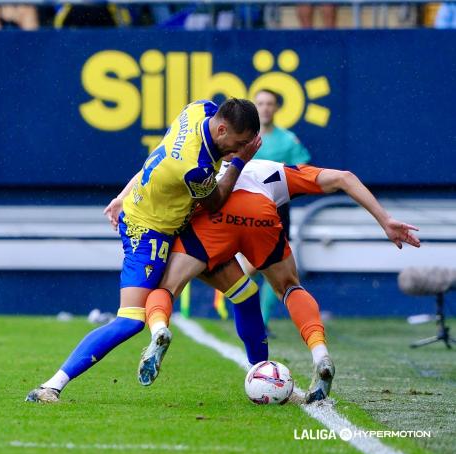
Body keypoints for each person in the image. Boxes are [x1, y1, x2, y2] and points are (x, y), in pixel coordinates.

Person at [26, 98, 262, 403]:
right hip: (148, 231)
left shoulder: (198, 108)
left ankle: (262, 375)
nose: (239, 149)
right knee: (131, 318)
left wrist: (124, 193)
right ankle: (51, 386)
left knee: (245, 293)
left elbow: (158, 154)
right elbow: (215, 200)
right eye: (238, 143)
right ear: (220, 130)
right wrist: (240, 162)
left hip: (178, 221)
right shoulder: (194, 167)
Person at [139, 159, 420, 402]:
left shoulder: (201, 165)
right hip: (260, 216)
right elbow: (343, 178)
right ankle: (319, 353)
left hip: (213, 223)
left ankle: (160, 331)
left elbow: (151, 180)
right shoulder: (274, 169)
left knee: (166, 287)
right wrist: (385, 220)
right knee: (289, 287)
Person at [253, 88, 311, 328]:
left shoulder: (288, 139)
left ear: (276, 108)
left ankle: (262, 320)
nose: (265, 108)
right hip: (245, 209)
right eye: (260, 103)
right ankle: (247, 315)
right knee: (247, 264)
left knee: (274, 264)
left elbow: (302, 169)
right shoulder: (245, 137)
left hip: (277, 209)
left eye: (269, 103)